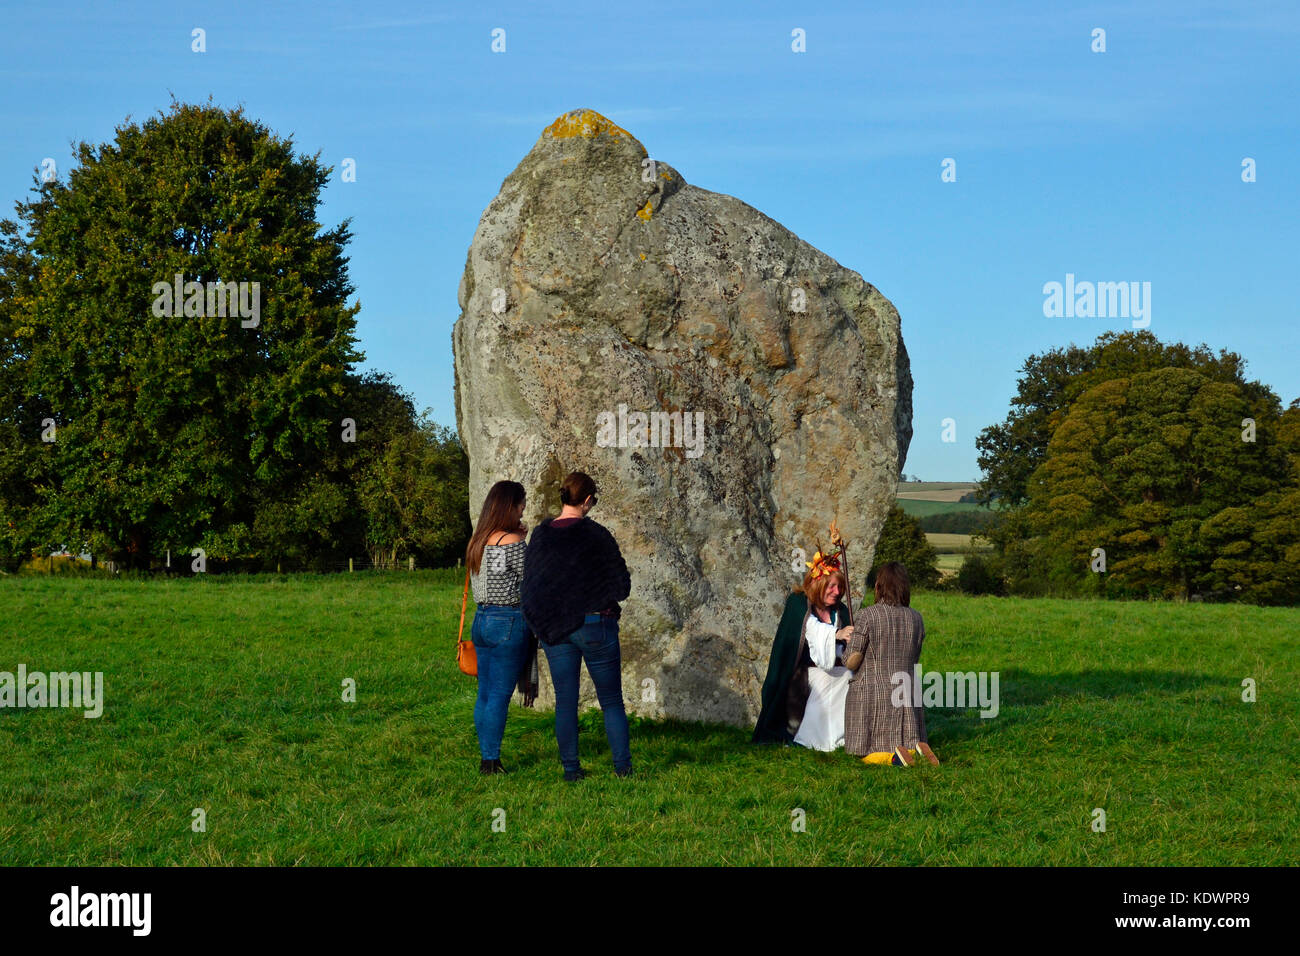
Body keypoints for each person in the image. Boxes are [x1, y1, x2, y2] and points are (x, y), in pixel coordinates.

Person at [521, 471, 632, 782]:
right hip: (597, 624)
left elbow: (531, 587)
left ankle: (571, 770)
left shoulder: (541, 536)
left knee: (565, 702)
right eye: (593, 501)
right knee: (611, 701)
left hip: (557, 630)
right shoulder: (597, 535)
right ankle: (623, 769)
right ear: (586, 500)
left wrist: (544, 618)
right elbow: (621, 584)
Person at [466, 480, 538, 775]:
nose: (524, 510)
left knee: (485, 693)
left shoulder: (478, 541)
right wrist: (523, 541)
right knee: (499, 694)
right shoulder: (512, 543)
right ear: (510, 506)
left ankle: (486, 754)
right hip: (508, 620)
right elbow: (531, 579)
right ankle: (491, 761)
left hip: (481, 620)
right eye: (521, 504)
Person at [752, 550, 854, 747]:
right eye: (832, 586)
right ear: (818, 583)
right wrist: (835, 635)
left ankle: (835, 737)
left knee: (849, 676)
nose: (837, 591)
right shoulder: (798, 602)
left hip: (832, 667)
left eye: (840, 587)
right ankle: (812, 738)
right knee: (826, 679)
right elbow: (811, 629)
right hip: (799, 672)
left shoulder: (840, 610)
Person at [842, 562, 940, 767]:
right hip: (907, 689)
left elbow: (852, 662)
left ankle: (892, 758)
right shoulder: (916, 618)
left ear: (879, 586)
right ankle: (917, 748)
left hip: (873, 692)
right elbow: (915, 657)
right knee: (908, 740)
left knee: (869, 752)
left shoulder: (868, 615)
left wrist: (849, 643)